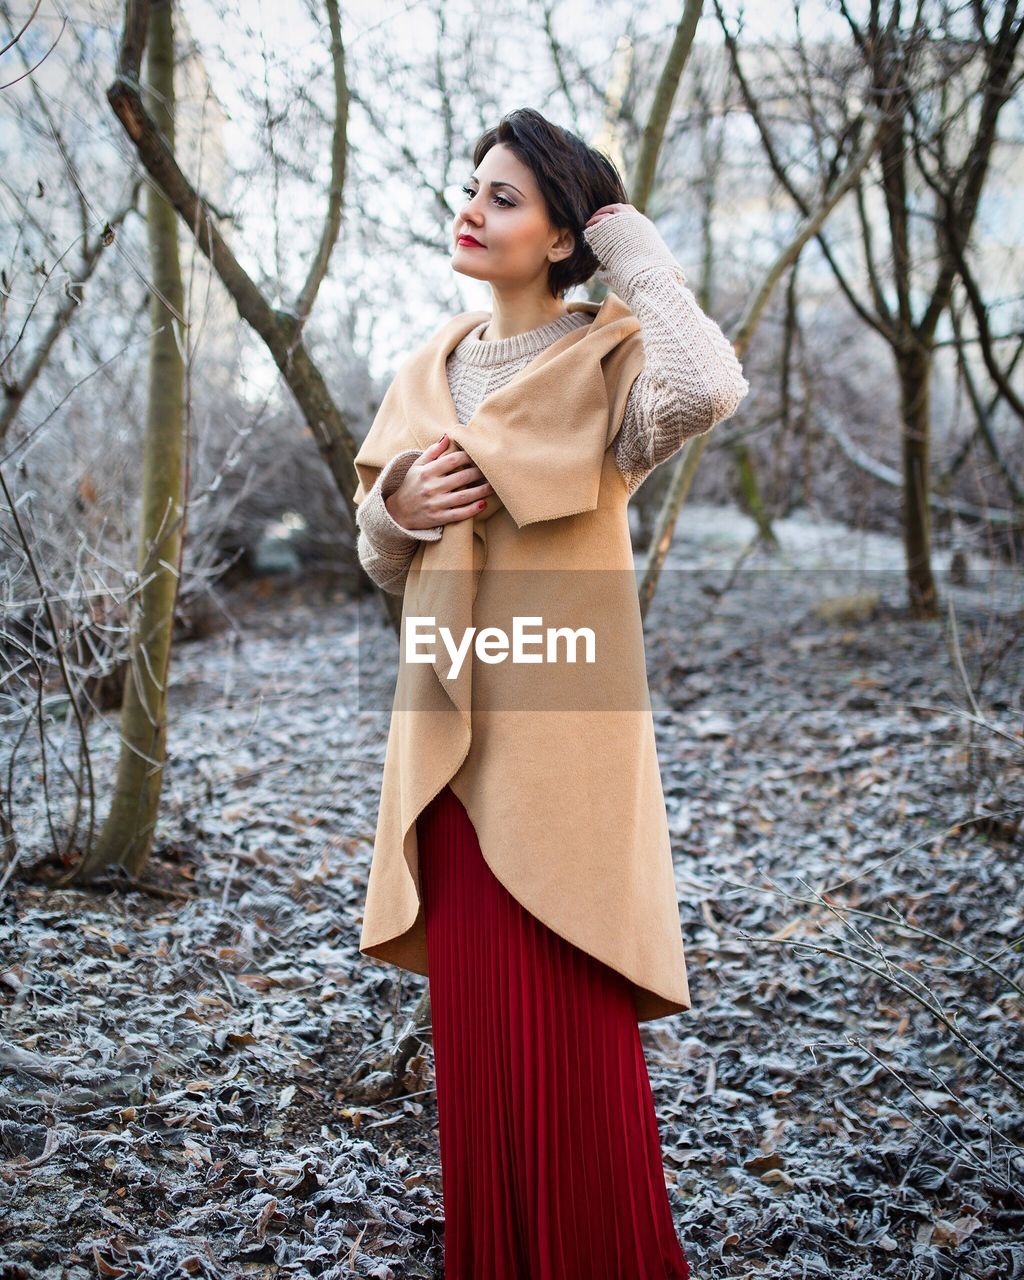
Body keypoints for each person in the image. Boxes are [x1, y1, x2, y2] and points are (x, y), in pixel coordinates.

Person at [352, 106, 749, 1279]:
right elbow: (379, 551)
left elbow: (708, 384)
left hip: (563, 747)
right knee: (478, 1041)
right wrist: (394, 513)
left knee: (570, 1036)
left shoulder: (609, 361)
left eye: (505, 198)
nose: (470, 212)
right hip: (448, 743)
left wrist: (632, 247)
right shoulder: (426, 367)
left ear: (563, 236)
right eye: (471, 189)